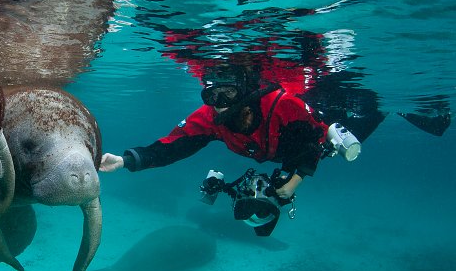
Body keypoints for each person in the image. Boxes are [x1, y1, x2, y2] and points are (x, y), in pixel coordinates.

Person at [99, 64, 331, 199]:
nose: (220, 103)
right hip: (270, 151)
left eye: (228, 93)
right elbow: (173, 147)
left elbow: (316, 137)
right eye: (212, 95)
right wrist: (124, 161)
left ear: (244, 92)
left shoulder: (281, 105)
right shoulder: (210, 118)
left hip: (294, 144)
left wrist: (295, 180)